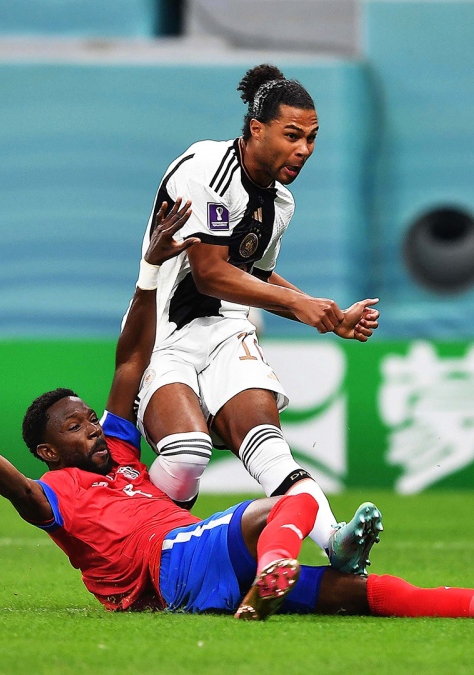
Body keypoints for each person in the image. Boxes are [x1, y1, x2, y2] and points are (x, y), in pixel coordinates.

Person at [0, 204, 474, 619]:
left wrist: (149, 270)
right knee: (285, 500)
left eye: (89, 416)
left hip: (200, 554)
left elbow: (128, 362)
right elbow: (22, 494)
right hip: (169, 565)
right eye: (75, 425)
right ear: (50, 451)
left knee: (365, 589)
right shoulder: (59, 490)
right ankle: (280, 566)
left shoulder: (119, 453)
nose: (92, 425)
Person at [133, 63, 381, 574]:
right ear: (256, 129)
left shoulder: (280, 203)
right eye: (292, 135)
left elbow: (256, 276)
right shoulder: (205, 167)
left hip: (227, 331)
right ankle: (145, 545)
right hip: (163, 332)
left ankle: (336, 541)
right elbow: (208, 274)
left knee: (269, 448)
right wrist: (297, 306)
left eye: (312, 138)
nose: (304, 150)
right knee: (185, 454)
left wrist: (326, 315)